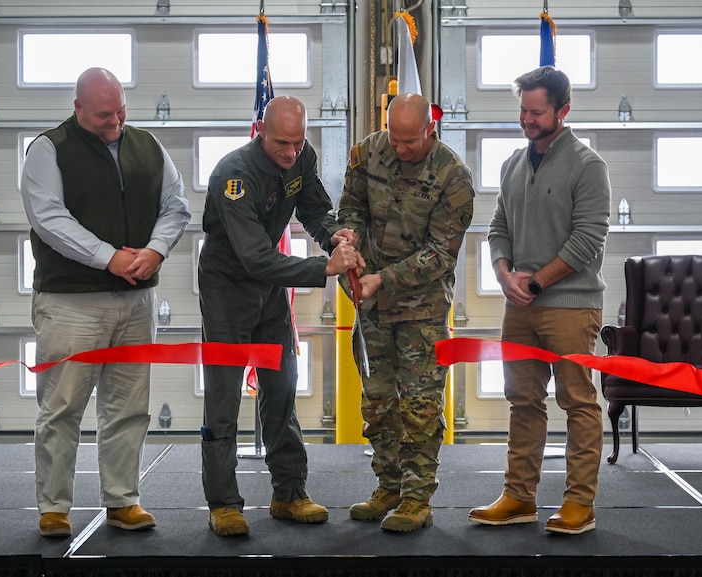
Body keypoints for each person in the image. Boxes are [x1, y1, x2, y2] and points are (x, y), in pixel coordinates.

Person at [20, 67, 191, 538]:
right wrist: (108, 258)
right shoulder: (47, 150)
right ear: (77, 108)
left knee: (129, 406)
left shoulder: (148, 146)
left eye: (120, 111)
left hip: (137, 302)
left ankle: (122, 501)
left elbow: (176, 205)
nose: (115, 121)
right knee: (62, 407)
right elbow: (49, 217)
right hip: (71, 302)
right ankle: (54, 507)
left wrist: (155, 250)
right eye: (103, 115)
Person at [198, 95, 359, 537]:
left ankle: (289, 492)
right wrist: (322, 268)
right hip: (228, 287)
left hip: (270, 289)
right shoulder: (233, 175)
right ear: (260, 132)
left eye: (298, 142)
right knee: (224, 394)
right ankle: (224, 504)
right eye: (282, 144)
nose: (291, 153)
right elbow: (254, 258)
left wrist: (335, 237)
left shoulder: (302, 156)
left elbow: (314, 209)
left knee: (282, 386)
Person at [468, 66, 611, 535]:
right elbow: (497, 229)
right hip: (520, 307)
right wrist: (504, 273)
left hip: (571, 305)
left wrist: (534, 284)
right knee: (522, 401)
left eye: (537, 111)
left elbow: (588, 238)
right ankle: (519, 497)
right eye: (523, 110)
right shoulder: (511, 164)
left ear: (563, 110)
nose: (527, 119)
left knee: (578, 402)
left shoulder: (588, 166)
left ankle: (579, 505)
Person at [337, 93, 475, 532]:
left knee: (419, 405)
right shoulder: (368, 152)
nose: (399, 149)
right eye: (394, 139)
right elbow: (351, 209)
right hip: (371, 306)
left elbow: (441, 254)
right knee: (378, 401)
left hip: (422, 310)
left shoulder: (454, 178)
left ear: (429, 130)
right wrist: (351, 251)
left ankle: (417, 500)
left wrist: (384, 279)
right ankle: (389, 487)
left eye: (410, 142)